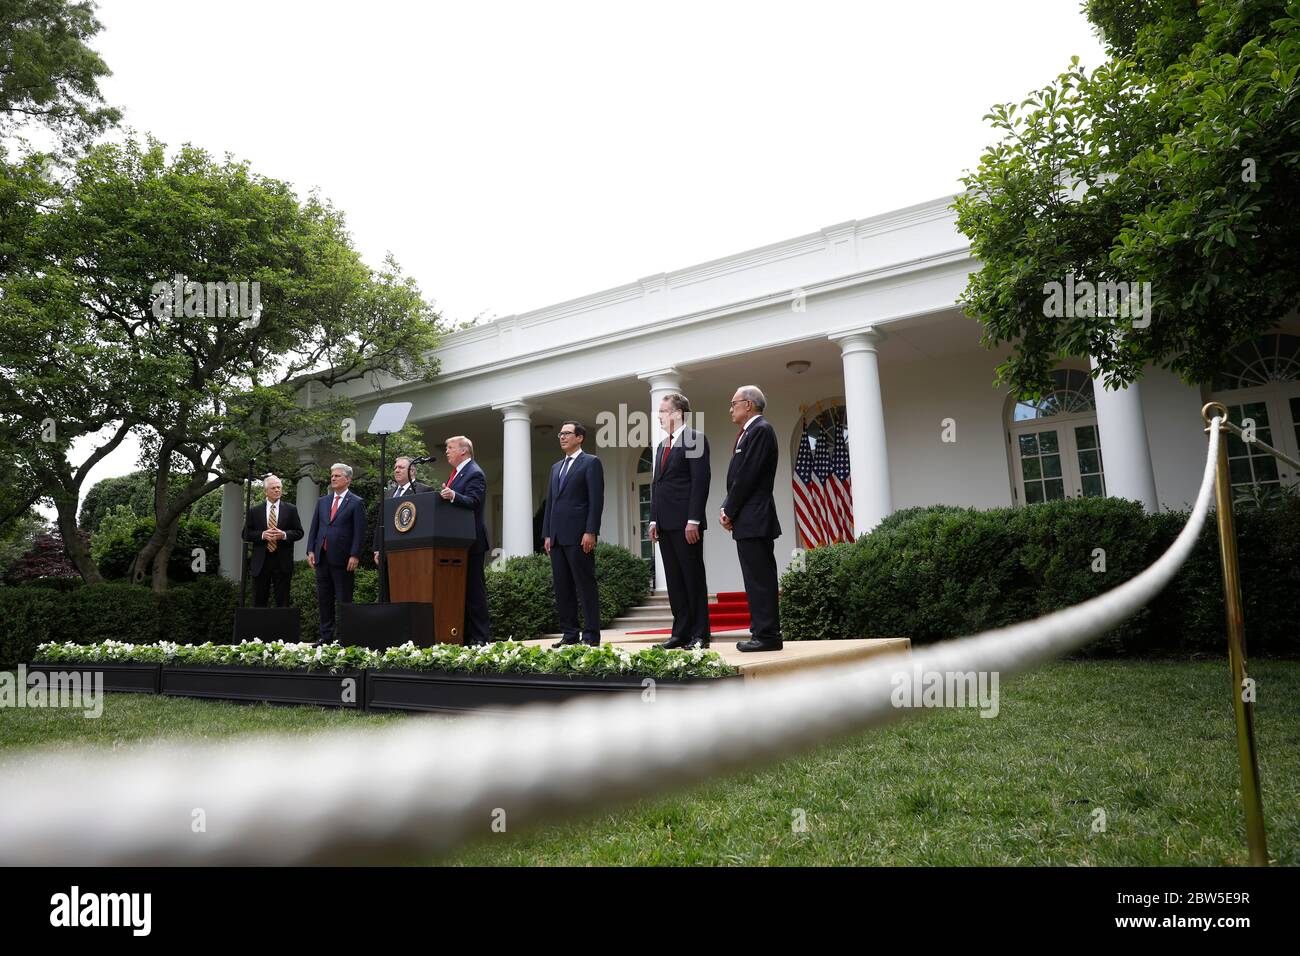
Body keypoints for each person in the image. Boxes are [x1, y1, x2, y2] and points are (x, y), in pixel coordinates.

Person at [720, 386, 783, 652]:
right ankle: (761, 632)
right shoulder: (750, 433)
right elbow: (740, 477)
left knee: (760, 579)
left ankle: (767, 636)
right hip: (748, 518)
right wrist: (729, 507)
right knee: (754, 578)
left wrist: (729, 509)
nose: (730, 408)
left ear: (748, 404)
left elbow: (747, 476)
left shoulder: (760, 430)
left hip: (755, 517)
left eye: (733, 403)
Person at [648, 393, 711, 649]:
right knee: (674, 581)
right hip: (664, 525)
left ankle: (699, 636)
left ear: (677, 413)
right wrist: (653, 520)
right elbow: (656, 485)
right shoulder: (662, 445)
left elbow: (700, 482)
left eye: (663, 411)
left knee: (692, 579)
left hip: (687, 525)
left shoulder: (695, 439)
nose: (659, 416)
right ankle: (680, 633)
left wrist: (693, 519)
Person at [542, 421, 604, 647]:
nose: (562, 437)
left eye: (567, 433)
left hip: (580, 536)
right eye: (560, 433)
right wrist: (547, 534)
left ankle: (590, 636)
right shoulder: (555, 467)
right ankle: (570, 635)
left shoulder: (591, 463)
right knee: (562, 588)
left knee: (585, 585)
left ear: (580, 438)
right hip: (557, 538)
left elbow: (595, 501)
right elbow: (551, 503)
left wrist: (591, 531)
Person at [305, 463, 367, 642]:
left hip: (343, 559)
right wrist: (310, 549)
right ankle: (326, 638)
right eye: (332, 475)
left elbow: (359, 531)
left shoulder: (356, 502)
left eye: (337, 476)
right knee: (324, 600)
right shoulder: (322, 501)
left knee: (343, 600)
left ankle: (344, 638)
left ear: (348, 479)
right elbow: (314, 527)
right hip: (321, 558)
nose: (333, 478)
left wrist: (355, 554)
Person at [438, 435, 491, 645]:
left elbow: (474, 502)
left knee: (474, 591)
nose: (447, 452)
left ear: (464, 451)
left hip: (472, 541)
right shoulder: (458, 473)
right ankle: (466, 636)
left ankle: (480, 638)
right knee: (461, 591)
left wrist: (453, 496)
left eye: (450, 448)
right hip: (457, 542)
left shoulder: (474, 473)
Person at [241, 474, 303, 607]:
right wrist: (262, 535)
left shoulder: (291, 509)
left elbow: (299, 532)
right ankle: (258, 628)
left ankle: (282, 628)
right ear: (265, 491)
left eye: (279, 487)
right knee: (259, 601)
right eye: (273, 488)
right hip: (261, 562)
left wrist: (284, 535)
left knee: (283, 602)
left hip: (282, 561)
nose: (277, 490)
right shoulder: (255, 511)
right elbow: (245, 534)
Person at [372, 456, 433, 567]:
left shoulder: (423, 490)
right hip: (387, 550)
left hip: (410, 549)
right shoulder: (388, 494)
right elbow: (380, 521)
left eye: (401, 467)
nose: (396, 470)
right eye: (395, 467)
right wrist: (377, 548)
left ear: (412, 471)